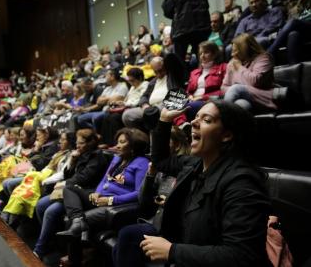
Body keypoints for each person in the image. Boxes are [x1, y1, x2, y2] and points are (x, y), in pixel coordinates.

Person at [113, 100, 271, 266]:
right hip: (186, 245)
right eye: (195, 117)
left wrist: (172, 251)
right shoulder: (194, 163)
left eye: (206, 120)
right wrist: (165, 120)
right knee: (127, 240)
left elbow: (242, 255)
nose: (193, 122)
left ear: (227, 135)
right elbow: (160, 161)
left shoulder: (243, 183)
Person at [57, 128, 149, 266]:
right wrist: (97, 192)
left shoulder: (142, 163)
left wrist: (110, 200)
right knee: (69, 188)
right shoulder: (117, 158)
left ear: (133, 145)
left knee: (72, 221)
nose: (117, 145)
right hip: (100, 198)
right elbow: (104, 180)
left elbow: (138, 193)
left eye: (122, 142)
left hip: (115, 204)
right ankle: (77, 219)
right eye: (117, 142)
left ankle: (74, 261)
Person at [33, 129, 109, 258]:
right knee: (40, 204)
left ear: (90, 143)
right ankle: (51, 240)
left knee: (51, 211)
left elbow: (85, 178)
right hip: (70, 189)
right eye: (77, 143)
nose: (77, 146)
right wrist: (73, 161)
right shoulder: (81, 154)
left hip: (82, 194)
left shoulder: (97, 157)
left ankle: (40, 249)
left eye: (81, 143)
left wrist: (65, 183)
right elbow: (68, 174)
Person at [223, 33, 277, 112]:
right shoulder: (232, 63)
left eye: (235, 51)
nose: (232, 54)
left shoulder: (263, 58)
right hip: (243, 100)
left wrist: (239, 67)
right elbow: (224, 87)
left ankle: (222, 119)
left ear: (245, 49)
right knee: (241, 105)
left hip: (262, 99)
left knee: (236, 88)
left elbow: (255, 81)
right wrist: (234, 91)